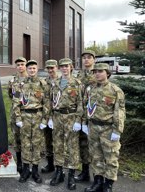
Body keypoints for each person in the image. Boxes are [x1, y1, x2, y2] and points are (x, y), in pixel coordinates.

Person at [84, 63, 125, 192]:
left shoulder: (115, 90)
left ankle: (108, 185)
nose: (97, 73)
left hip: (108, 129)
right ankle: (97, 182)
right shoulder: (90, 89)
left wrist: (117, 130)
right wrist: (84, 123)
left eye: (100, 71)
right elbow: (86, 106)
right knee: (96, 157)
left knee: (111, 158)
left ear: (107, 73)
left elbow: (119, 111)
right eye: (95, 71)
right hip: (93, 127)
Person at [49, 58, 83, 190]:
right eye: (62, 66)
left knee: (72, 147)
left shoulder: (77, 83)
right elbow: (51, 101)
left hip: (71, 117)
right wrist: (50, 117)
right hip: (57, 116)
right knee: (57, 145)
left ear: (71, 67)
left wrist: (78, 120)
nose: (64, 68)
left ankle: (71, 176)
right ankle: (59, 173)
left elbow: (81, 102)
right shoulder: (55, 82)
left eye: (66, 66)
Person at [13, 60, 49, 183]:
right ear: (26, 70)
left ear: (37, 69)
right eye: (30, 68)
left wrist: (45, 120)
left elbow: (47, 103)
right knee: (26, 144)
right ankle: (26, 169)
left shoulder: (43, 84)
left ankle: (35, 170)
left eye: (34, 68)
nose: (32, 70)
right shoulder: (20, 85)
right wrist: (18, 118)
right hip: (25, 117)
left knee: (36, 144)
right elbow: (15, 102)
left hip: (38, 117)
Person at [75, 50, 96, 183]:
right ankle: (85, 172)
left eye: (89, 58)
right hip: (81, 114)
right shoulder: (79, 74)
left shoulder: (98, 73)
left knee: (95, 146)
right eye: (84, 58)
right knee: (83, 144)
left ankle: (99, 177)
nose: (86, 60)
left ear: (94, 60)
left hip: (94, 114)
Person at [8, 56, 27, 173]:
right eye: (18, 65)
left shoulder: (31, 80)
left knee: (27, 139)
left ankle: (26, 163)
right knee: (17, 138)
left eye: (22, 64)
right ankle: (19, 162)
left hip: (27, 114)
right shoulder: (13, 81)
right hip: (15, 114)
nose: (20, 67)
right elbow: (10, 95)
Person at [41, 59, 59, 174]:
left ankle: (59, 167)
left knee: (58, 142)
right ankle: (50, 164)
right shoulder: (44, 82)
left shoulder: (62, 81)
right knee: (48, 141)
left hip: (59, 117)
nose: (50, 70)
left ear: (56, 67)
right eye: (48, 68)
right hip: (46, 116)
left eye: (52, 68)